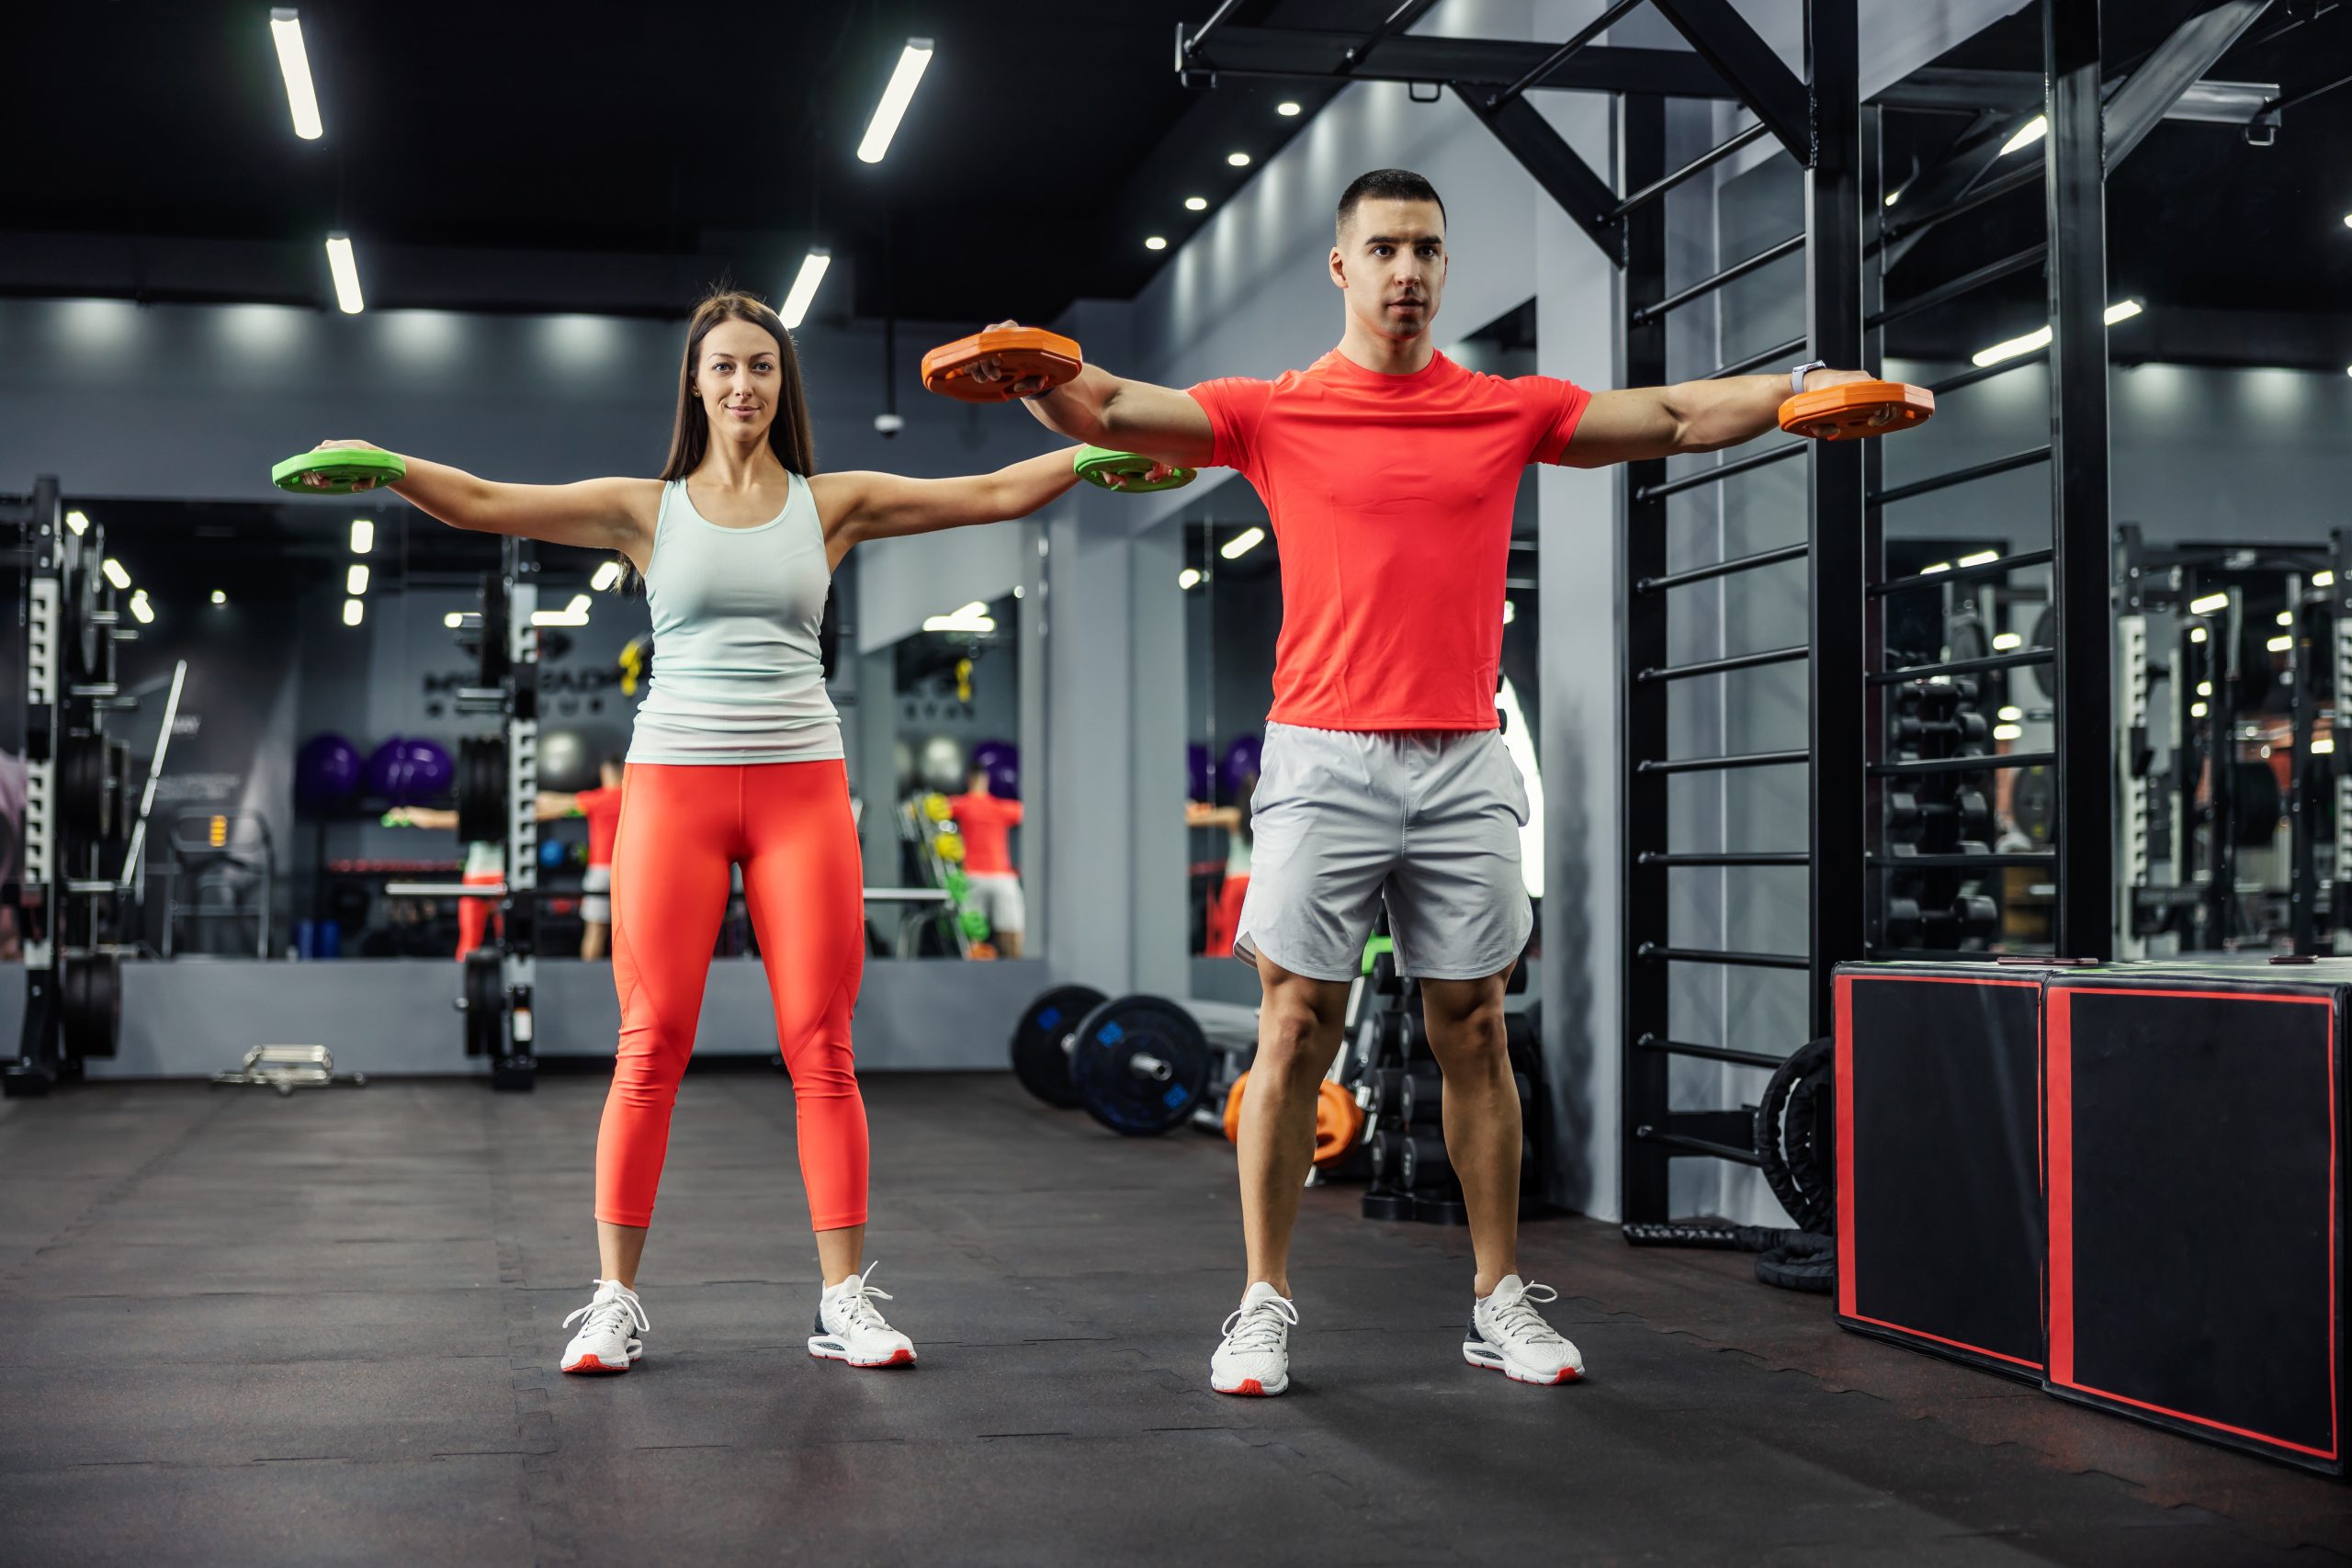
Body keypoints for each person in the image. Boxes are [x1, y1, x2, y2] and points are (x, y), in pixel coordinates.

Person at [976, 167, 1876, 1396]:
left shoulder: (1504, 409)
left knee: (1472, 1032)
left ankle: (1498, 1293)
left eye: (1428, 250)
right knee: (1296, 1024)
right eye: (1386, 247)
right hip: (1321, 752)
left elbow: (1666, 417)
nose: (1409, 269)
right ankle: (1262, 1297)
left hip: (1462, 757)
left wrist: (1791, 395)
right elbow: (1110, 408)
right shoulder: (1272, 409)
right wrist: (1028, 373)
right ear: (1341, 269)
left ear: (1444, 271)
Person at [303, 288, 1094, 1378]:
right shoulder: (645, 509)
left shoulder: (832, 503)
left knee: (822, 1048)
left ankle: (844, 1299)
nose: (742, 385)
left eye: (761, 368)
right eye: (723, 366)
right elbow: (489, 499)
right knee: (650, 1045)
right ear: (695, 381)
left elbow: (997, 488)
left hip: (801, 792)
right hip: (671, 791)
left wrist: (1103, 453)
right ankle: (614, 1300)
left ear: (783, 385)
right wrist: (388, 467)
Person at [381, 789, 582, 961]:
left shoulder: (477, 818)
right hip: (499, 881)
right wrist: (574, 802)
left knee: (474, 939)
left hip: (478, 880)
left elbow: (432, 820)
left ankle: (476, 978)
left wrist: (406, 812)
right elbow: (552, 810)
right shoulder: (512, 815)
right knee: (507, 939)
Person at [946, 766, 1024, 958]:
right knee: (1011, 930)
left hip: (975, 877)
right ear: (985, 781)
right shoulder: (1000, 807)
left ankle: (975, 970)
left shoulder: (962, 804)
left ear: (969, 780)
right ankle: (1017, 970)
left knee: (972, 933)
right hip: (999, 876)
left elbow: (934, 807)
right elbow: (1025, 811)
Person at [1187, 771, 1254, 960]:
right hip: (1254, 882)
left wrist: (1191, 810)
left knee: (1228, 934)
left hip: (1234, 881)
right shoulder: (1264, 817)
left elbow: (1194, 820)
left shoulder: (1233, 816)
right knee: (1254, 937)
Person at [570, 755, 626, 960]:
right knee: (629, 935)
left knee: (595, 930)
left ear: (604, 772)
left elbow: (559, 804)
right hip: (627, 870)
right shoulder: (631, 798)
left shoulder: (596, 798)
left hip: (600, 870)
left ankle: (587, 981)